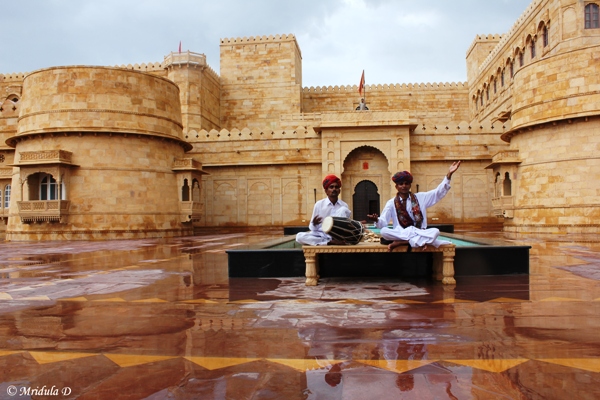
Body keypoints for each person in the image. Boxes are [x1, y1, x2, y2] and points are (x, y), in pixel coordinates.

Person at [367, 161, 461, 251]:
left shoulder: (420, 198)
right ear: (396, 187)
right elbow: (383, 222)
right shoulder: (391, 203)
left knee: (435, 232)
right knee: (384, 231)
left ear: (410, 185)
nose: (404, 186)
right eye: (401, 184)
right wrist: (377, 220)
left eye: (406, 183)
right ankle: (416, 241)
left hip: (418, 231)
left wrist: (449, 175)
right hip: (402, 233)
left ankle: (402, 242)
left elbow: (437, 193)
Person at [296, 174, 352, 246]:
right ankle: (328, 242)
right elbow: (312, 228)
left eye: (336, 187)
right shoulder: (319, 204)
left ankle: (333, 241)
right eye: (331, 187)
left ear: (339, 191)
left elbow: (347, 226)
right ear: (326, 191)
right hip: (321, 235)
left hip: (337, 236)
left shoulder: (344, 205)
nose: (334, 189)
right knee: (299, 236)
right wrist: (314, 223)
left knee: (343, 210)